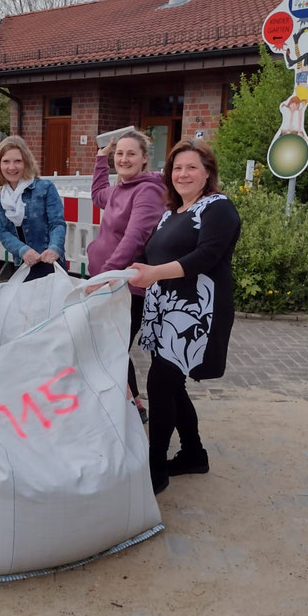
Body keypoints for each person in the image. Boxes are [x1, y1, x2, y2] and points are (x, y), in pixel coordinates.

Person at [129, 138, 241, 495]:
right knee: (171, 385)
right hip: (166, 310)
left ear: (208, 172)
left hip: (196, 314)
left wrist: (155, 274)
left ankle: (155, 467)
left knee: (161, 384)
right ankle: (193, 453)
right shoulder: (171, 213)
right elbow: (154, 256)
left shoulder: (218, 208)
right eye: (177, 168)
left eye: (192, 167)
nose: (183, 174)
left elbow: (206, 257)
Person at [87, 131, 166, 423]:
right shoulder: (121, 186)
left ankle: (134, 408)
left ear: (145, 158)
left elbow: (135, 238)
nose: (124, 159)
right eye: (119, 153)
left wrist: (107, 273)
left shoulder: (147, 191)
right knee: (111, 347)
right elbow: (97, 196)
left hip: (127, 287)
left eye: (131, 154)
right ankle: (130, 404)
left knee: (115, 348)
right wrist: (99, 158)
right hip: (108, 281)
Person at [0, 136, 66, 281]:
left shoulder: (45, 188)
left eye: (17, 161)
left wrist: (55, 247)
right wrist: (23, 250)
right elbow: (4, 233)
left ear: (26, 162)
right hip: (22, 267)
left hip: (50, 264)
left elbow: (57, 223)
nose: (11, 167)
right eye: (6, 161)